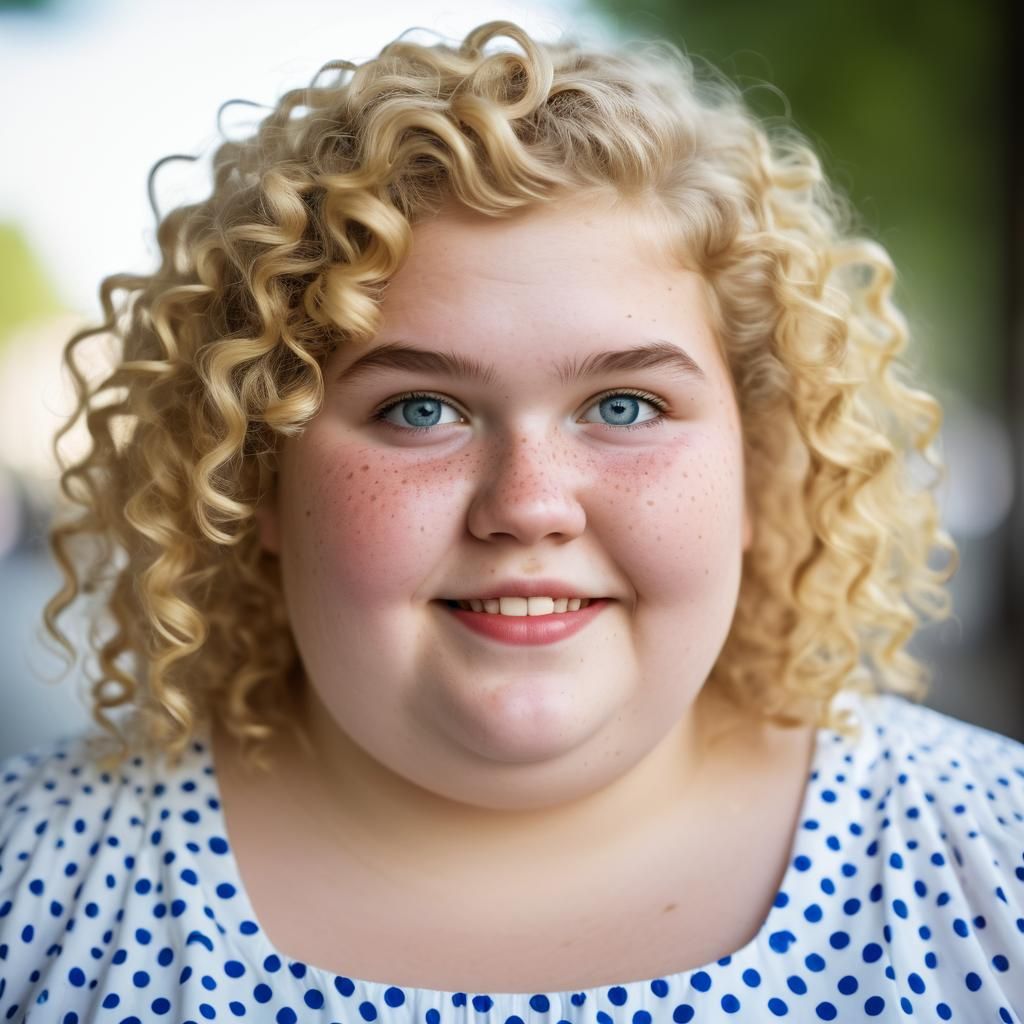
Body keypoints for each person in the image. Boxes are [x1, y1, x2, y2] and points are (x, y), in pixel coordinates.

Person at [1, 18, 1021, 1023]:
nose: (528, 503)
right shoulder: (32, 888)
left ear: (753, 467)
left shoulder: (991, 855)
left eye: (624, 406)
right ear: (259, 479)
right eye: (420, 410)